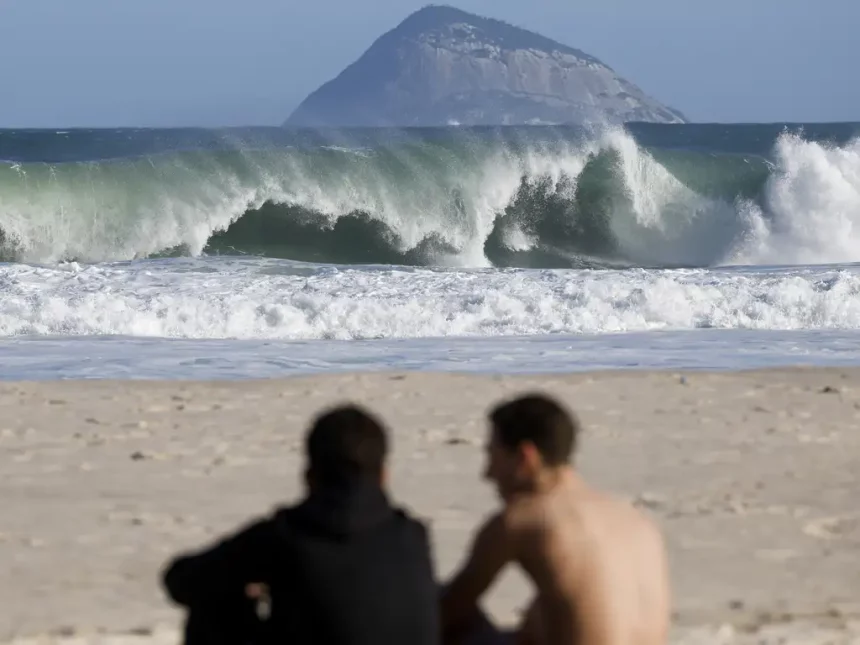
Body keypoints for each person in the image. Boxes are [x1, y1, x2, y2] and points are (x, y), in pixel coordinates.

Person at [162, 404, 440, 645]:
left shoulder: (288, 535)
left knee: (212, 604)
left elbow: (181, 581)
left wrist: (247, 585)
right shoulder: (413, 536)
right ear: (384, 476)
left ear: (309, 476)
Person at [441, 394, 671, 645]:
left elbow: (446, 611)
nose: (487, 474)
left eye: (493, 457)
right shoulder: (634, 519)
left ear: (525, 457)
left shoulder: (525, 518)